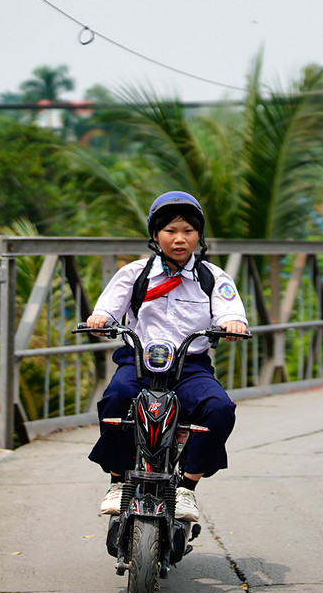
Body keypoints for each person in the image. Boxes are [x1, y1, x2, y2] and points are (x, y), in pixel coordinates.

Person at [84, 191, 249, 523]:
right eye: (170, 231)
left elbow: (231, 312)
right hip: (139, 362)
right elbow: (106, 310)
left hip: (190, 367)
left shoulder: (213, 278)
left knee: (219, 409)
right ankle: (117, 481)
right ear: (155, 235)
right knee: (116, 398)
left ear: (198, 236)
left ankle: (187, 486)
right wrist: (99, 320)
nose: (179, 239)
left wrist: (232, 324)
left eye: (188, 231)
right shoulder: (134, 274)